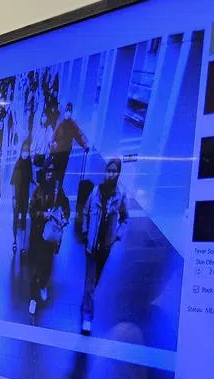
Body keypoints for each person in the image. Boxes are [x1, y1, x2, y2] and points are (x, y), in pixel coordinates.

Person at [80, 157, 129, 335]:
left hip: (105, 247)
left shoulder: (121, 195)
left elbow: (125, 218)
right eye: (108, 170)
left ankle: (86, 301)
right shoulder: (95, 192)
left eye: (114, 171)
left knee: (95, 282)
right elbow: (85, 212)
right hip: (92, 245)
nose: (110, 174)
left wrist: (118, 235)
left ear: (118, 173)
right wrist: (85, 231)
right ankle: (87, 317)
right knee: (90, 283)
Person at [27, 166, 69, 317]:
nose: (50, 174)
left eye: (52, 170)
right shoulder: (38, 190)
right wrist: (43, 214)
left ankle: (43, 285)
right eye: (48, 171)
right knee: (36, 268)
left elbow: (66, 207)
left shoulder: (58, 190)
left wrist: (63, 218)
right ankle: (32, 298)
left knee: (48, 265)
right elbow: (31, 211)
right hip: (38, 235)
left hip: (52, 235)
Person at [49, 101, 88, 193]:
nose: (68, 112)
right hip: (57, 153)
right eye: (67, 110)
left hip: (65, 153)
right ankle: (52, 192)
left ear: (71, 112)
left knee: (61, 174)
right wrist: (51, 151)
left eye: (69, 110)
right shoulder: (60, 124)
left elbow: (78, 136)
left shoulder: (73, 125)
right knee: (54, 173)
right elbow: (53, 138)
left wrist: (84, 146)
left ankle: (58, 193)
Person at [10, 138, 34, 260]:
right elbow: (13, 183)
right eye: (24, 150)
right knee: (15, 220)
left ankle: (23, 246)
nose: (25, 152)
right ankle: (14, 241)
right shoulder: (18, 164)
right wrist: (13, 198)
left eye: (27, 150)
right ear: (21, 151)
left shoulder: (29, 164)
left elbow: (31, 180)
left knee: (24, 219)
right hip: (17, 197)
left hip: (25, 197)